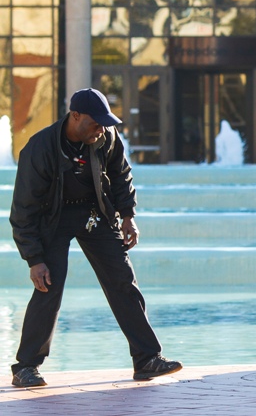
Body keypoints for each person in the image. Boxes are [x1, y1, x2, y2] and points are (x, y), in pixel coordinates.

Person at [9, 88, 182, 387]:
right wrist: (34, 259)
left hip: (94, 213)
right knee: (49, 287)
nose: (101, 128)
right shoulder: (39, 149)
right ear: (75, 116)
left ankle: (146, 359)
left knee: (123, 281)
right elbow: (23, 209)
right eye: (96, 122)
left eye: (105, 122)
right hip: (53, 219)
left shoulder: (106, 137)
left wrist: (128, 216)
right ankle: (25, 367)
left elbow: (120, 174)